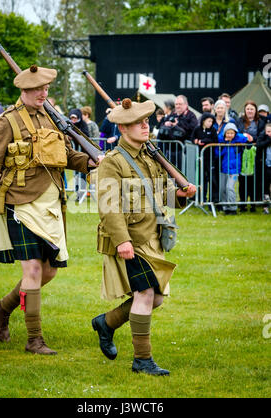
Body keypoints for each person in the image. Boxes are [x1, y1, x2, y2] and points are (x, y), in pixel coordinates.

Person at [0, 65, 99, 355]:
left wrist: (90, 162)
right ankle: (35, 340)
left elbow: (65, 155)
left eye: (46, 89)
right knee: (32, 269)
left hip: (51, 202)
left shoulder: (50, 118)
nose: (43, 93)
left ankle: (2, 308)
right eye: (37, 89)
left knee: (48, 271)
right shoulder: (7, 121)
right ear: (24, 90)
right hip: (20, 201)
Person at [92, 98, 196, 376]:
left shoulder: (151, 156)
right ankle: (142, 360)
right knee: (146, 293)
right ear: (123, 128)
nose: (145, 126)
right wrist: (121, 240)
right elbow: (108, 206)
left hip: (153, 238)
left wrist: (179, 195)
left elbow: (159, 195)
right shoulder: (113, 162)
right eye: (138, 122)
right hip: (131, 240)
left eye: (147, 121)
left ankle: (107, 323)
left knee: (156, 298)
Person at [217, 122, 253, 214]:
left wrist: (247, 137)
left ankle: (233, 208)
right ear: (225, 133)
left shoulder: (238, 139)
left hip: (234, 170)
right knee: (223, 189)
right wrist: (224, 143)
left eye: (232, 133)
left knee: (230, 188)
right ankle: (226, 207)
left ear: (235, 133)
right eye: (228, 133)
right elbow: (217, 153)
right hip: (223, 168)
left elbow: (247, 140)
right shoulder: (221, 141)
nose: (230, 135)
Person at [237, 101, 266, 212]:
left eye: (252, 109)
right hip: (242, 154)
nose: (249, 111)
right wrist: (244, 136)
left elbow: (262, 134)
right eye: (248, 109)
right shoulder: (240, 121)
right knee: (243, 180)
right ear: (245, 110)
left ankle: (253, 204)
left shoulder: (261, 122)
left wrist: (253, 140)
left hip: (256, 155)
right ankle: (243, 203)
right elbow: (237, 133)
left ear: (255, 111)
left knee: (254, 181)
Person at [191, 112, 218, 202]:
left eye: (212, 121)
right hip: (200, 158)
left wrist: (203, 141)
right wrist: (195, 141)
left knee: (212, 179)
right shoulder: (197, 129)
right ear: (203, 121)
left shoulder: (213, 130)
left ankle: (213, 199)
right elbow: (192, 138)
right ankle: (201, 198)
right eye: (209, 121)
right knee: (201, 179)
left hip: (210, 158)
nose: (210, 123)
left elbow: (215, 140)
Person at [256, 123, 271, 214]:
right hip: (265, 166)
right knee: (265, 186)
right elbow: (258, 145)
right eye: (268, 132)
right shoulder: (263, 138)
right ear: (265, 132)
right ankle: (265, 207)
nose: (270, 134)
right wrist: (268, 141)